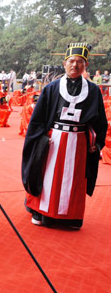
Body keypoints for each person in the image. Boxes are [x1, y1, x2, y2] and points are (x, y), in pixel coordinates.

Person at [22, 43, 108, 228]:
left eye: (80, 62)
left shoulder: (93, 91)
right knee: (46, 175)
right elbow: (37, 119)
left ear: (86, 65)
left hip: (78, 143)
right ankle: (40, 212)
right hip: (53, 141)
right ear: (64, 63)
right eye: (71, 61)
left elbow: (101, 121)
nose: (75, 65)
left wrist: (97, 142)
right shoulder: (51, 88)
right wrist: (39, 140)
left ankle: (71, 217)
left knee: (74, 179)